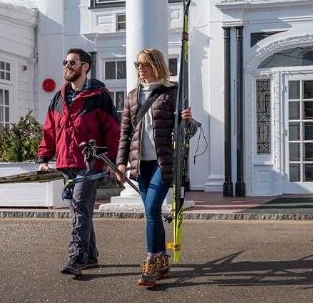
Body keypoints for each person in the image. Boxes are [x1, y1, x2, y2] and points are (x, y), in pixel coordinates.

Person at [37, 47, 120, 277]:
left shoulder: (98, 96)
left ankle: (77, 257)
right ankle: (91, 254)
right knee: (79, 208)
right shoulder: (59, 97)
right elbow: (49, 130)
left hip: (90, 163)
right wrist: (44, 157)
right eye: (65, 62)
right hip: (66, 162)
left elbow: (113, 130)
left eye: (72, 62)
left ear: (85, 67)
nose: (67, 66)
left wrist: (113, 162)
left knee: (80, 209)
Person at [116, 47, 195, 287]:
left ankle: (151, 261)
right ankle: (162, 260)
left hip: (163, 161)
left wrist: (187, 121)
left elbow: (187, 133)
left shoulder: (173, 93)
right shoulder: (132, 96)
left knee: (151, 209)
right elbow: (125, 133)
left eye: (144, 64)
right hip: (141, 164)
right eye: (137, 65)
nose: (140, 69)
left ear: (156, 65)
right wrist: (121, 162)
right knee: (153, 213)